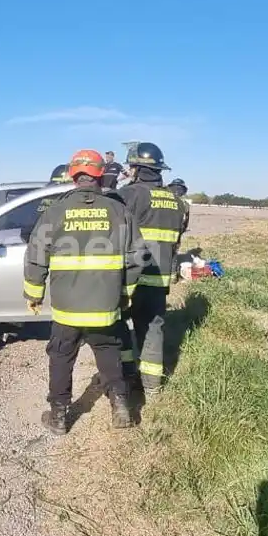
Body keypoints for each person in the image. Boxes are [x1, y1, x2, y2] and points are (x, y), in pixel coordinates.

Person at [24, 149, 144, 434]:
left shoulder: (55, 211)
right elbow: (137, 256)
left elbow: (35, 255)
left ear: (73, 174)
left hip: (67, 309)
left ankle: (59, 416)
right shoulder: (119, 211)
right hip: (105, 305)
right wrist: (125, 292)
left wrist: (34, 294)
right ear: (100, 174)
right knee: (108, 352)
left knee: (62, 357)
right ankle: (121, 407)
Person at [116, 143, 188, 395]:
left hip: (130, 278)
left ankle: (126, 375)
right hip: (159, 279)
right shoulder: (176, 201)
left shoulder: (130, 195)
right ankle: (151, 385)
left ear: (137, 168)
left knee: (120, 325)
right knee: (153, 328)